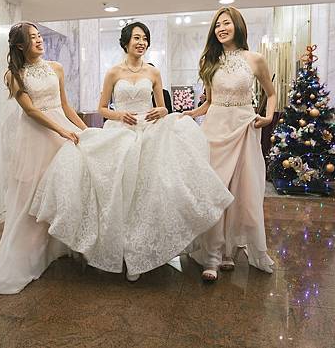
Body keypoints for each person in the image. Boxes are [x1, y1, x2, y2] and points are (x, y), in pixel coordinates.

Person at [30, 22, 233, 282]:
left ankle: (141, 252)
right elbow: (102, 107)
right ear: (126, 42)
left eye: (145, 38)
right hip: (121, 130)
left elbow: (163, 108)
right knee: (119, 193)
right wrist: (119, 114)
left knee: (149, 193)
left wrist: (162, 110)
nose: (142, 42)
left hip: (149, 131)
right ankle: (122, 251)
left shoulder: (153, 72)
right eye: (137, 38)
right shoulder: (113, 72)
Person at [0, 22, 87, 294]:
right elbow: (31, 111)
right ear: (20, 45)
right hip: (36, 136)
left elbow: (65, 105)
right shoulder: (14, 74)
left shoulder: (56, 67)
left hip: (62, 131)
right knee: (32, 196)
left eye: (39, 35)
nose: (39, 40)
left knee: (64, 189)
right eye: (32, 38)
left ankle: (59, 246)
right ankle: (27, 257)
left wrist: (84, 130)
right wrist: (61, 130)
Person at [184, 7, 276, 281]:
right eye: (217, 25)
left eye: (226, 23)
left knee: (242, 191)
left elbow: (271, 93)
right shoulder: (209, 60)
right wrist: (190, 113)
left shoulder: (255, 59)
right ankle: (211, 255)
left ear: (237, 26)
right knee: (215, 191)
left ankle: (229, 252)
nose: (221, 29)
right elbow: (209, 102)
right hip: (214, 130)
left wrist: (268, 116)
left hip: (244, 128)